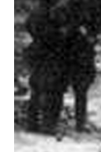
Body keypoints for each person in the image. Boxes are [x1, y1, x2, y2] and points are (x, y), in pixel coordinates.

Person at [25, 0, 67, 134]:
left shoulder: (35, 11)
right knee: (53, 90)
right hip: (52, 55)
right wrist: (62, 33)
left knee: (36, 89)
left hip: (37, 53)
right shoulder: (54, 11)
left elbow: (28, 25)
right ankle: (48, 125)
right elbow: (56, 33)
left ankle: (32, 124)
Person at [56, 0, 97, 132]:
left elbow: (93, 35)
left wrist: (89, 37)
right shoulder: (62, 9)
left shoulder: (88, 9)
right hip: (66, 56)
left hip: (81, 57)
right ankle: (55, 121)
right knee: (59, 90)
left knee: (81, 92)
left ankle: (80, 123)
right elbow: (58, 33)